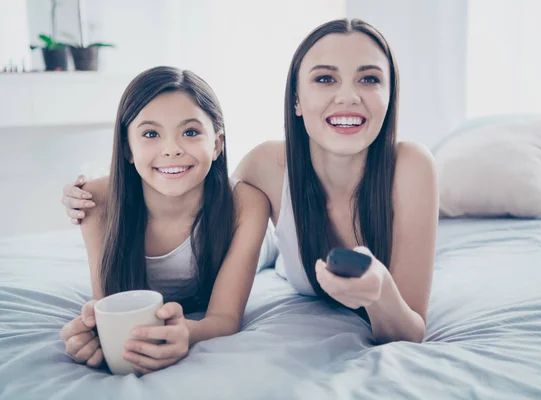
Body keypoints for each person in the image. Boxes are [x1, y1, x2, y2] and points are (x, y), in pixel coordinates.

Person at [61, 19, 438, 345]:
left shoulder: (412, 167)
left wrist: (379, 293)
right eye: (325, 78)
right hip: (268, 254)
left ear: (390, 95)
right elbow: (192, 184)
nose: (348, 96)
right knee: (264, 252)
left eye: (369, 79)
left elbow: (409, 332)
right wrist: (101, 190)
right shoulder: (265, 167)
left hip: (268, 248)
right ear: (296, 99)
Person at [59, 66, 270, 375]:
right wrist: (93, 335)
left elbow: (225, 318)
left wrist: (188, 332)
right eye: (150, 134)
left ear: (217, 143)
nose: (171, 149)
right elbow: (109, 303)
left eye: (190, 132)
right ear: (128, 147)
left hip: (262, 249)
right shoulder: (95, 201)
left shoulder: (248, 204)